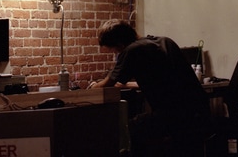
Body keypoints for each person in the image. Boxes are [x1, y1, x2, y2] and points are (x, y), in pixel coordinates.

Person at [89, 19, 210, 157]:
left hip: (174, 115)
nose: (115, 53)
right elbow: (163, 80)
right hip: (199, 111)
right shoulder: (165, 41)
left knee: (129, 128)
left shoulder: (131, 50)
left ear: (120, 44)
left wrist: (94, 86)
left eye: (114, 50)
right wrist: (126, 84)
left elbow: (106, 84)